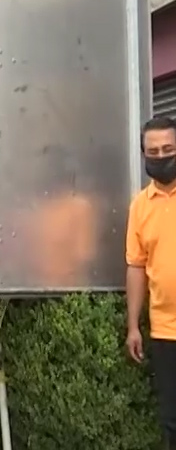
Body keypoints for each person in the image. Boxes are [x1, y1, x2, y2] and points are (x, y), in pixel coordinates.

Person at [125, 116, 176, 449]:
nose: (161, 156)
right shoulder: (140, 206)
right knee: (172, 420)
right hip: (165, 333)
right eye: (153, 151)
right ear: (144, 155)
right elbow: (136, 267)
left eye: (168, 149)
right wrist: (133, 326)